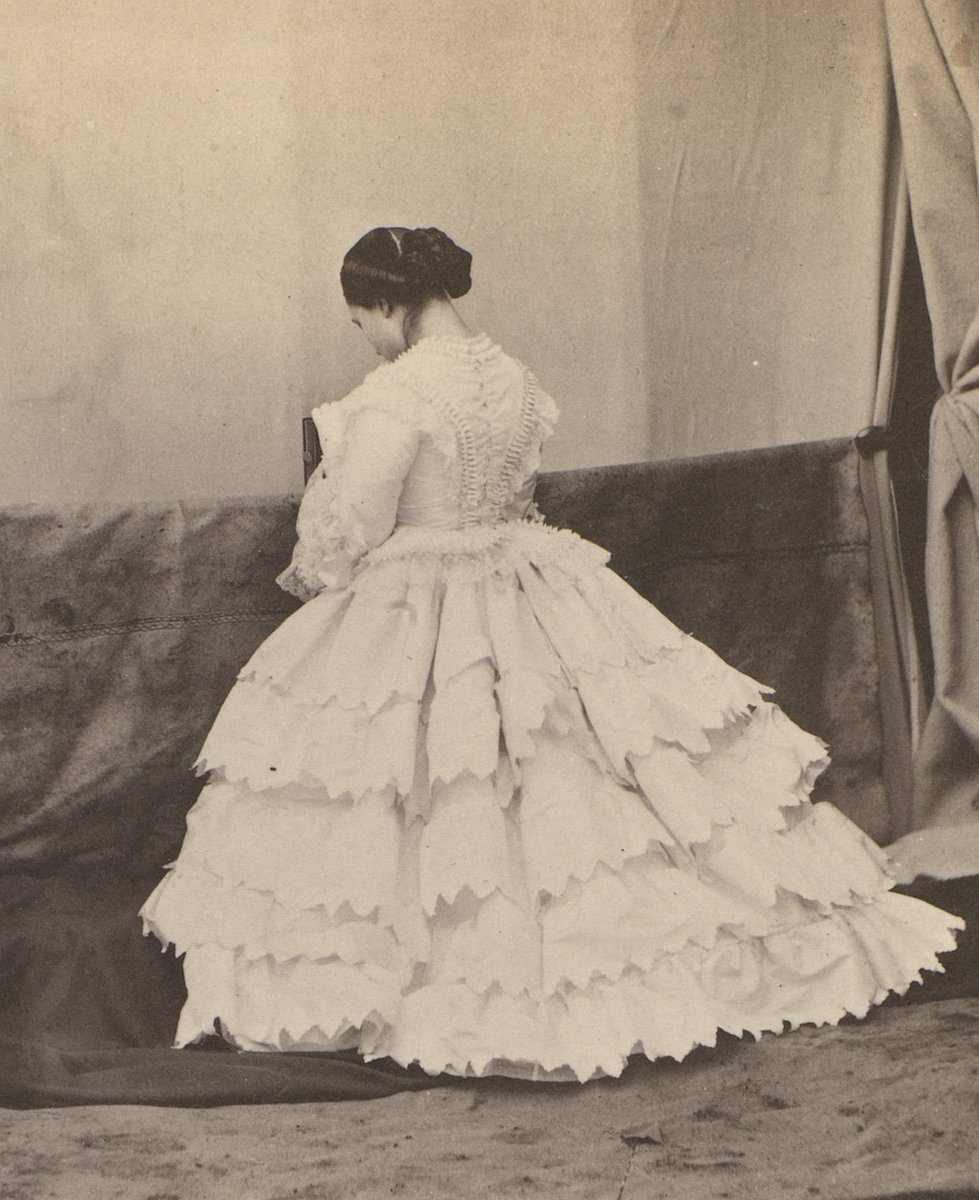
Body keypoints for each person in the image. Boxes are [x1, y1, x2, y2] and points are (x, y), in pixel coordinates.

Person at [141, 226, 962, 1082]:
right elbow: (508, 494)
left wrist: (325, 532)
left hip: (424, 589)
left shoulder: (393, 396)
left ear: (387, 303)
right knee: (573, 772)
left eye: (362, 321)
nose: (367, 339)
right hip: (531, 575)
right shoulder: (516, 382)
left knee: (433, 783)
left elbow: (348, 530)